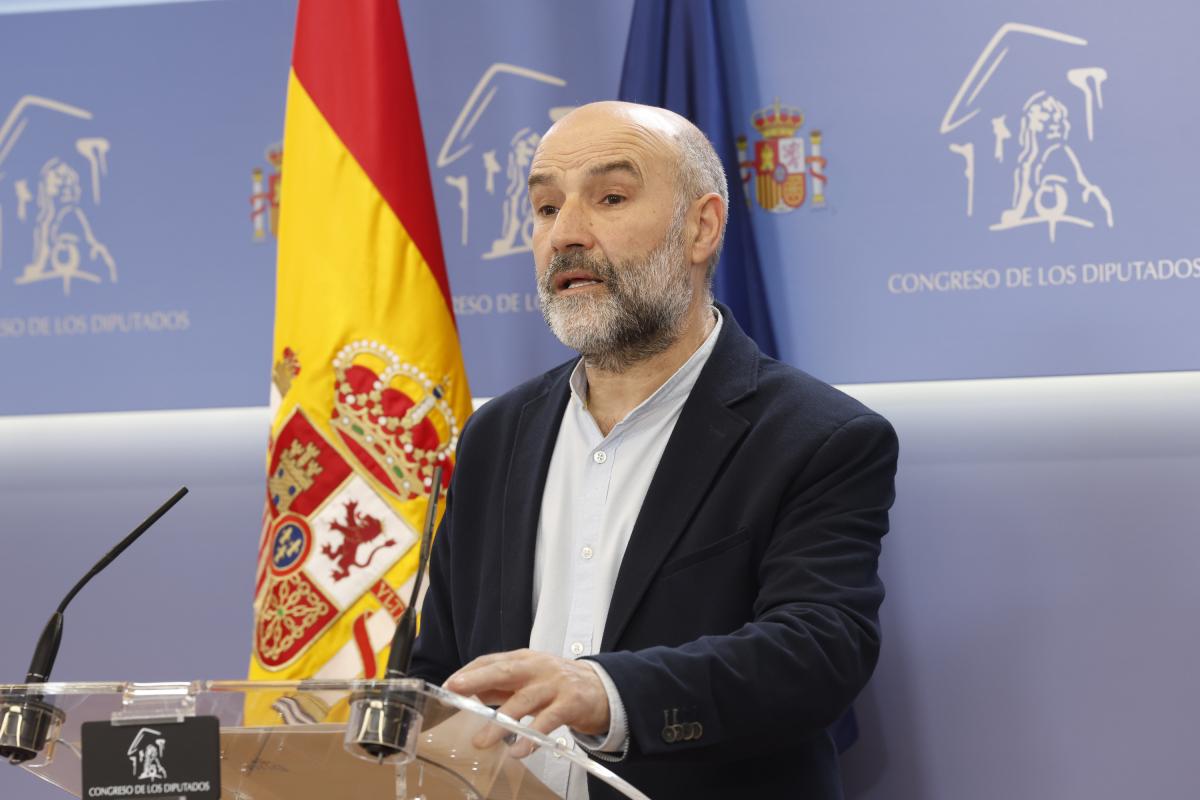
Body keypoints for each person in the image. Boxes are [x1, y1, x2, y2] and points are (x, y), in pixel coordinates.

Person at [410, 101, 899, 799]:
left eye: (609, 198)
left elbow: (816, 652)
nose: (567, 235)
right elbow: (441, 669)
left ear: (701, 228)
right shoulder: (496, 434)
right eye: (546, 209)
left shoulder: (818, 436)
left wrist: (602, 692)